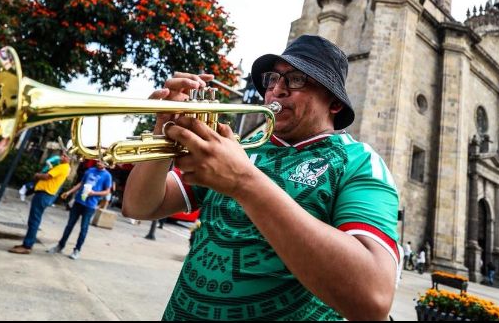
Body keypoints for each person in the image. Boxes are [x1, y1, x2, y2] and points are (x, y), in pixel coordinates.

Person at [122, 35, 401, 321]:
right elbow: (140, 206)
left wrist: (243, 182)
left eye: (295, 80)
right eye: (272, 80)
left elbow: (374, 298)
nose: (276, 91)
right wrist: (163, 128)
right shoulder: (242, 144)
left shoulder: (359, 162)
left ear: (334, 103)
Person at [47, 157, 112, 260]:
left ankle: (77, 250)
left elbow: (107, 191)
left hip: (90, 205)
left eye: (102, 162)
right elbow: (81, 184)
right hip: (78, 202)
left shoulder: (107, 176)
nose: (99, 163)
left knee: (84, 228)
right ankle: (60, 246)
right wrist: (69, 192)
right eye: (98, 161)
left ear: (106, 164)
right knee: (69, 225)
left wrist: (94, 193)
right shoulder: (90, 170)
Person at [8, 153, 72, 254]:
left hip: (44, 194)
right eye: (62, 155)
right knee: (34, 220)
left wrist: (37, 175)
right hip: (44, 194)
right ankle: (27, 243)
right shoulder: (62, 166)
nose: (61, 157)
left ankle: (27, 246)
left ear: (69, 159)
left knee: (34, 220)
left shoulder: (63, 167)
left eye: (65, 156)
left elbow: (47, 176)